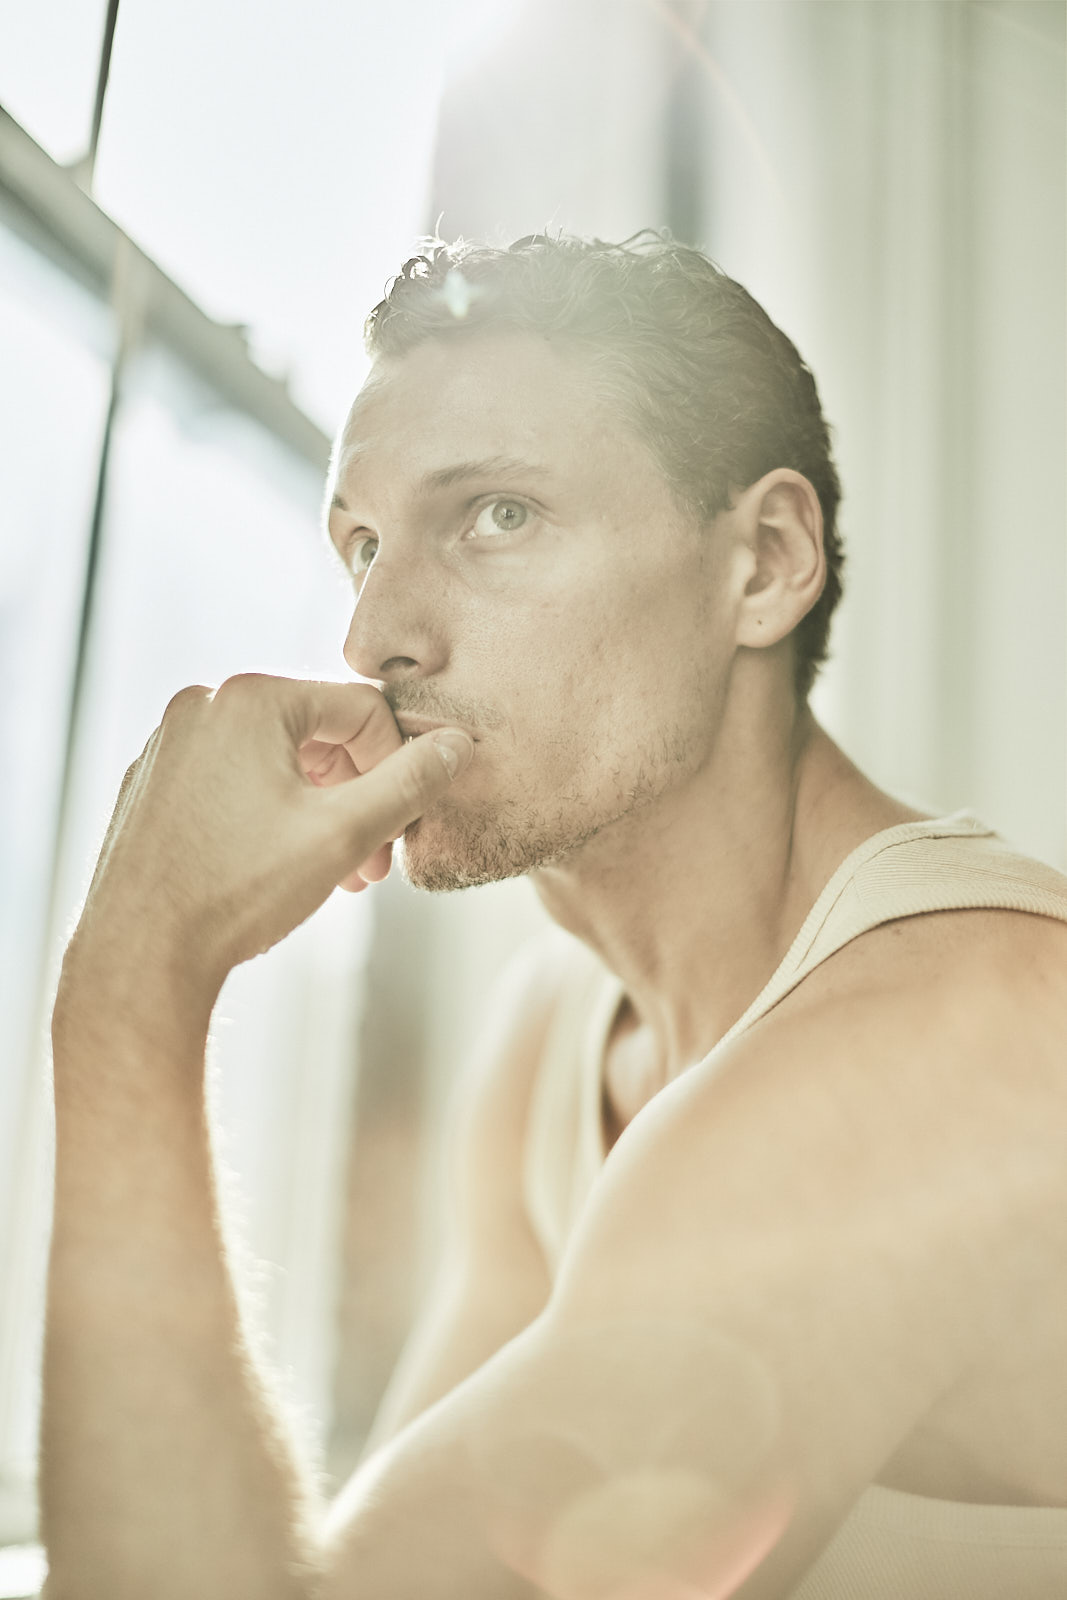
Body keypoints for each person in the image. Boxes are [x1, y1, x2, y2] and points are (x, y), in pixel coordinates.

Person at [40, 234, 1067, 1600]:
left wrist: (133, 987)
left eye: (496, 517)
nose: (373, 634)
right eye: (362, 542)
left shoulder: (949, 1045)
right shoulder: (556, 1042)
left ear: (762, 564)